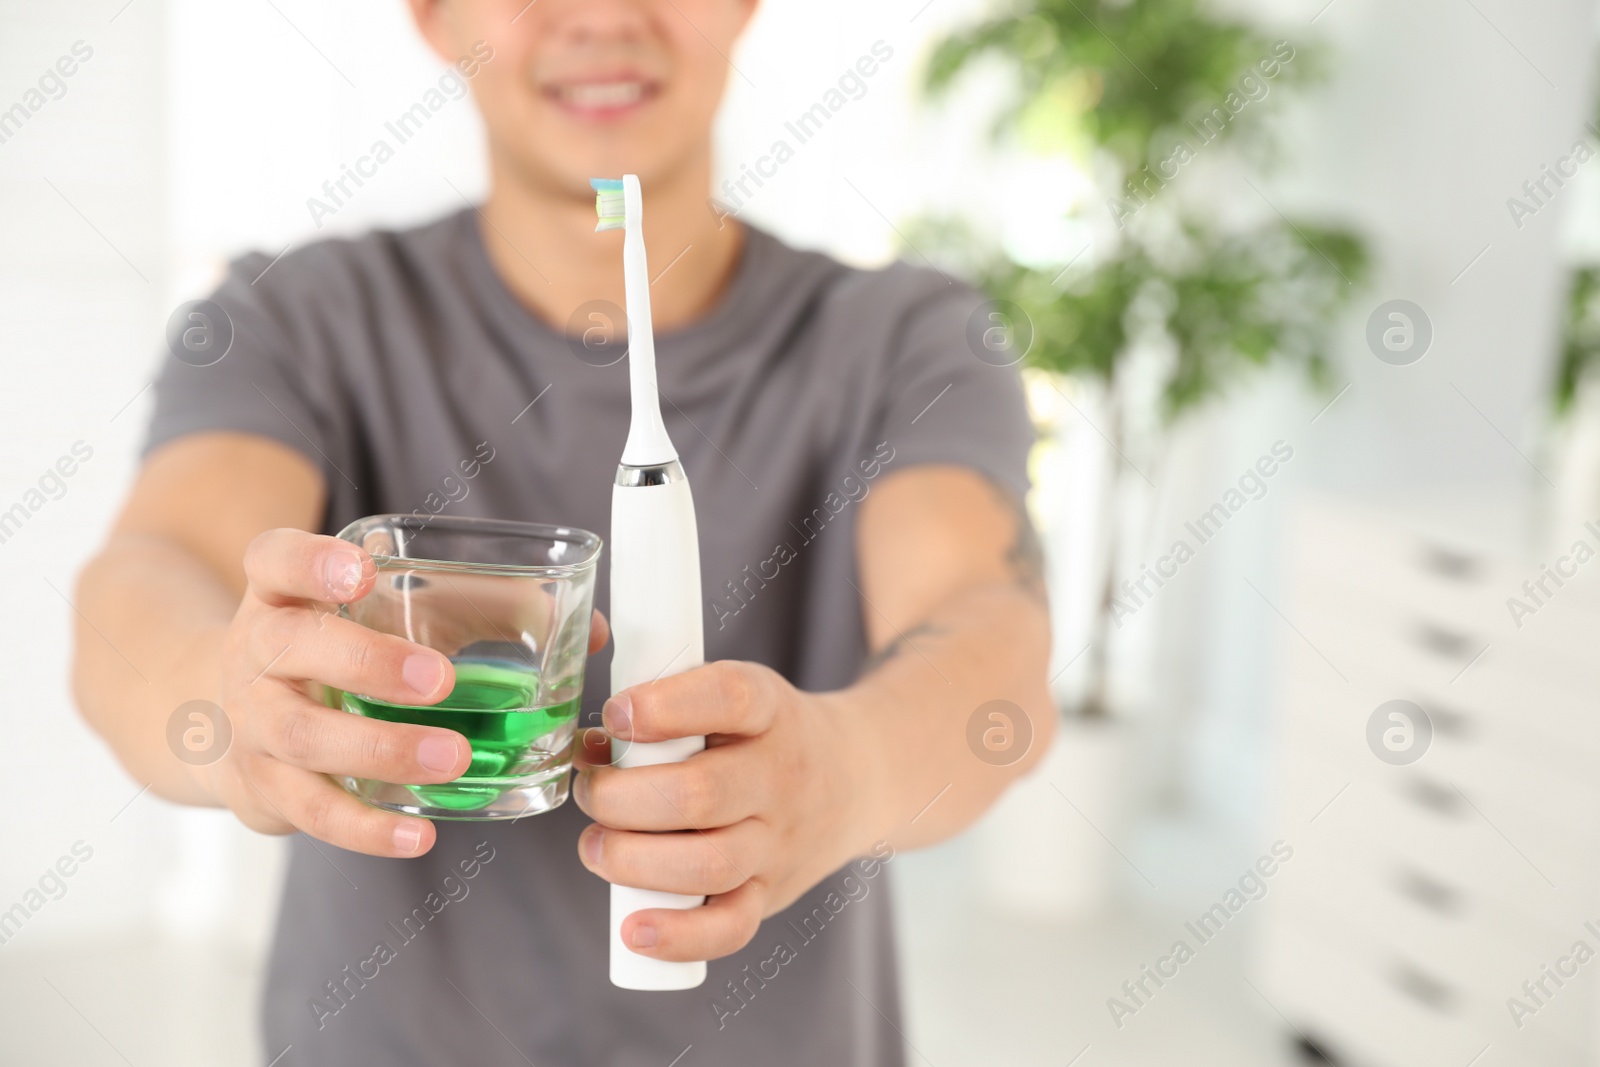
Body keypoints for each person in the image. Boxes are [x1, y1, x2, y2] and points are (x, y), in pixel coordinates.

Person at [71, 1, 1053, 1063]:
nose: (598, 17)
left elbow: (987, 634)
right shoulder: (292, 318)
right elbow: (147, 579)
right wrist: (234, 700)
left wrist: (850, 769)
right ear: (434, 17)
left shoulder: (908, 340)